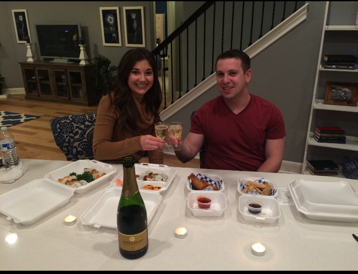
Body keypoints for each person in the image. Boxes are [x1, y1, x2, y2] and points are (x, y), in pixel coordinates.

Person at [168, 49, 286, 172]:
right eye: (220, 74)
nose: (225, 80)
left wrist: (250, 185)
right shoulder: (205, 111)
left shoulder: (270, 112)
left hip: (253, 183)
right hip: (213, 184)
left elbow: (274, 159)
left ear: (247, 75)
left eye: (232, 73)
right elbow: (187, 154)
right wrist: (177, 144)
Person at [93, 48, 166, 165]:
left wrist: (158, 170)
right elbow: (99, 150)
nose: (142, 79)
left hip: (132, 166)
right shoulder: (109, 102)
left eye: (148, 72)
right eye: (135, 72)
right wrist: (138, 143)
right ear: (125, 74)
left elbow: (155, 144)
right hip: (109, 169)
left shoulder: (150, 101)